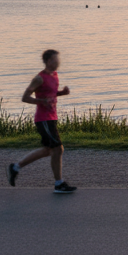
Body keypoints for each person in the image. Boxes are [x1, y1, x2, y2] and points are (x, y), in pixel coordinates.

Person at [7, 49, 77, 193]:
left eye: (59, 59)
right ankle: (59, 184)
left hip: (52, 117)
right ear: (48, 61)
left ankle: (15, 167)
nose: (59, 62)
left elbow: (50, 94)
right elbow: (25, 97)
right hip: (43, 119)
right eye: (55, 60)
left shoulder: (55, 75)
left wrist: (61, 93)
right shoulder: (39, 78)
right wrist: (41, 101)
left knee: (48, 150)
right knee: (58, 149)